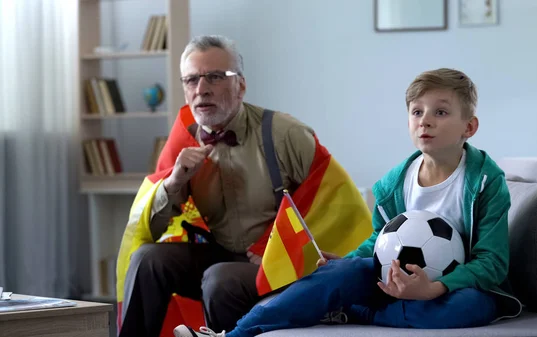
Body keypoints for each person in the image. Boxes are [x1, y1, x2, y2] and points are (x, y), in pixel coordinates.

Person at [174, 68, 523, 337]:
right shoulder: (391, 184)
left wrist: (433, 288)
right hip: (390, 282)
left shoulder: (484, 182)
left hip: (453, 290)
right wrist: (349, 262)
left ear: (470, 126)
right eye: (416, 112)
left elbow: (492, 263)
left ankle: (356, 311)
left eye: (441, 112)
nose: (425, 121)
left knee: (471, 307)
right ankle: (232, 334)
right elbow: (380, 242)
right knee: (336, 274)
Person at [116, 35, 372, 337]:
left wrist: (274, 247)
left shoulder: (285, 134)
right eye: (191, 79)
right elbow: (152, 229)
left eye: (214, 77)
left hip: (280, 263)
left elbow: (334, 205)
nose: (201, 89)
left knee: (219, 279)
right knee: (148, 259)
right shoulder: (183, 140)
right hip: (220, 252)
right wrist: (175, 181)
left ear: (241, 85)